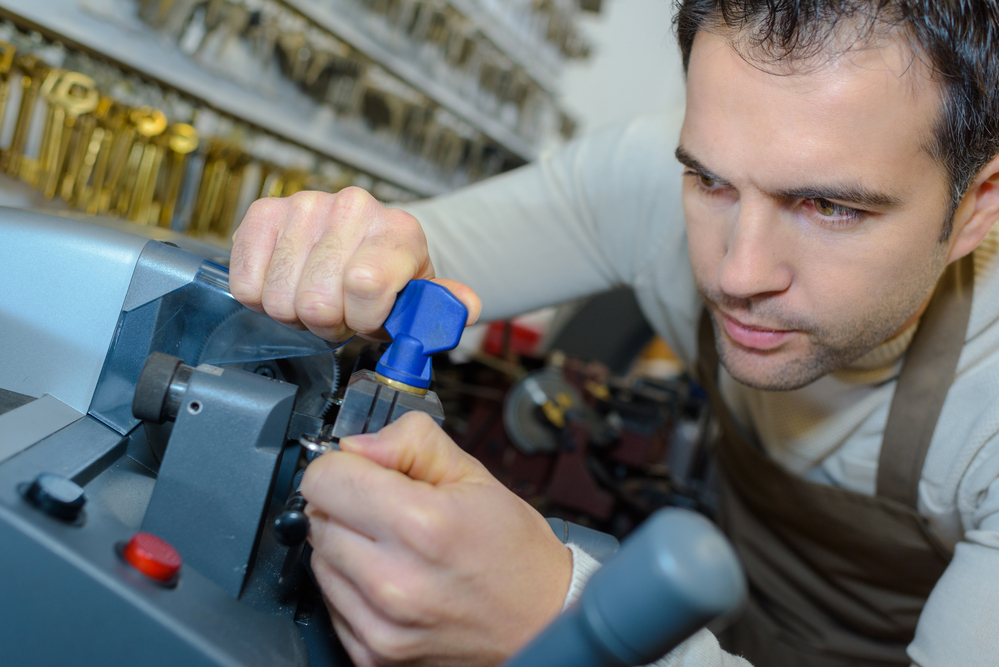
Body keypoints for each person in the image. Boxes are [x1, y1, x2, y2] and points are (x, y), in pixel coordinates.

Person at [228, 1, 999, 665]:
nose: (738, 272)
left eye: (831, 208)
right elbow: (401, 260)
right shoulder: (648, 180)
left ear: (977, 205)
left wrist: (566, 615)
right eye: (710, 181)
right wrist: (332, 247)